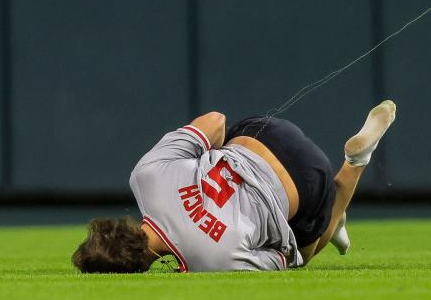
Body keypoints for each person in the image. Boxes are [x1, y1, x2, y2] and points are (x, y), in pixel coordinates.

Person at [72, 100, 396, 272]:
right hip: (264, 132)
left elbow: (283, 259)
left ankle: (356, 162)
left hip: (310, 178)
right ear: (114, 228)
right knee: (216, 148)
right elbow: (215, 120)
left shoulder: (213, 262)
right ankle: (336, 218)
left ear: (138, 268)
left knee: (305, 250)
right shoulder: (145, 176)